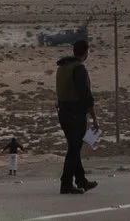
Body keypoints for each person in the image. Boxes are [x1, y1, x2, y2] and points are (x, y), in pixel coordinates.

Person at [56, 36, 100, 195]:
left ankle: (81, 180)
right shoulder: (79, 69)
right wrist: (94, 117)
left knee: (74, 148)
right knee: (74, 149)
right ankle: (66, 183)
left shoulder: (62, 67)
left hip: (63, 112)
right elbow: (85, 95)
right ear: (85, 52)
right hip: (75, 114)